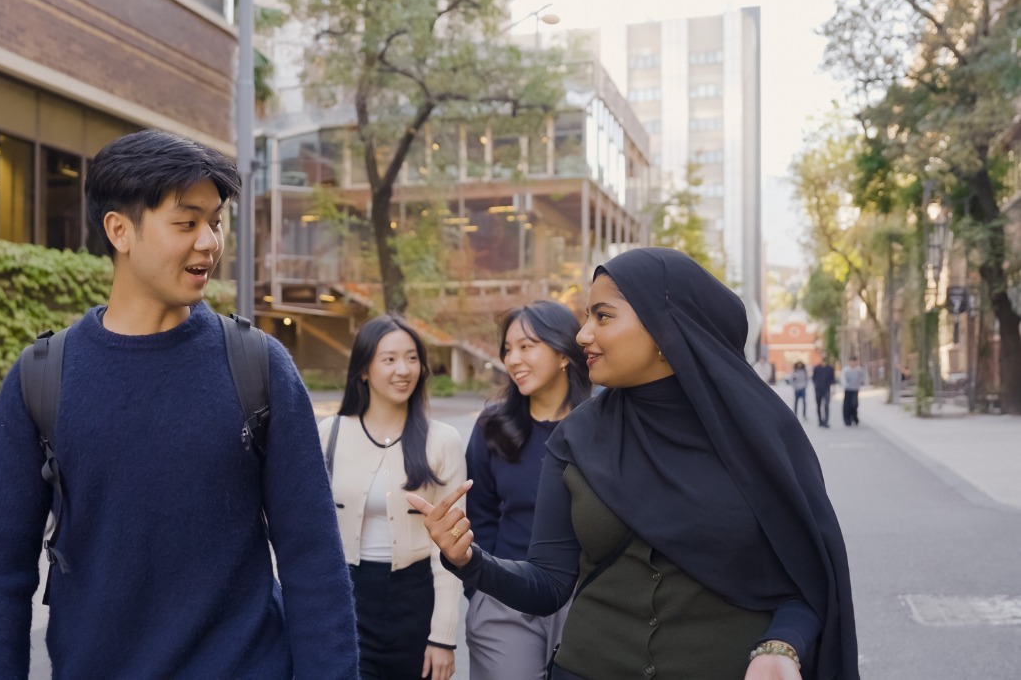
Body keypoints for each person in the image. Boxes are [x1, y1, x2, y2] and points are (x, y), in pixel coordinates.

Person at [0, 129, 359, 678]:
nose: (209, 243)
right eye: (186, 222)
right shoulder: (41, 379)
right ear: (120, 230)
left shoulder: (258, 367)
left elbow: (313, 560)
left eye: (214, 222)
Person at [409, 247, 859, 680]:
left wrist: (781, 646)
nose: (583, 334)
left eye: (602, 316)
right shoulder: (577, 437)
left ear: (664, 328)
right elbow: (548, 584)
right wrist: (470, 560)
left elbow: (810, 579)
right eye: (587, 317)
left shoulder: (761, 434)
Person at [320, 315, 466, 680]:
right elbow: (308, 534)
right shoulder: (330, 433)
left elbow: (448, 549)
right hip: (346, 600)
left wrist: (443, 638)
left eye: (412, 358)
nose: (404, 369)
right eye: (389, 359)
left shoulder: (441, 440)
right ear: (364, 370)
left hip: (414, 601)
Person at [464, 301, 591, 680]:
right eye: (507, 349)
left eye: (527, 346)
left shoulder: (603, 424)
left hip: (586, 601)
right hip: (507, 597)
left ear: (564, 353)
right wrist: (482, 592)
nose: (513, 358)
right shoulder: (492, 426)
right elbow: (480, 514)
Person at [812, 357, 836, 428]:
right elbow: (813, 377)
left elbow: (833, 379)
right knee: (818, 405)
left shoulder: (830, 368)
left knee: (826, 405)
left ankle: (826, 421)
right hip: (818, 389)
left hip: (827, 389)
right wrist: (816, 384)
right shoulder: (817, 368)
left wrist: (833, 390)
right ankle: (820, 421)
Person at [841, 357, 865, 427]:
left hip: (855, 389)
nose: (853, 363)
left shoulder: (859, 370)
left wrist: (860, 384)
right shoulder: (846, 370)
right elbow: (842, 378)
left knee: (854, 404)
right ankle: (847, 420)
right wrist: (845, 385)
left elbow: (862, 377)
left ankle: (854, 417)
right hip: (848, 389)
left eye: (855, 362)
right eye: (852, 361)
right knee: (847, 405)